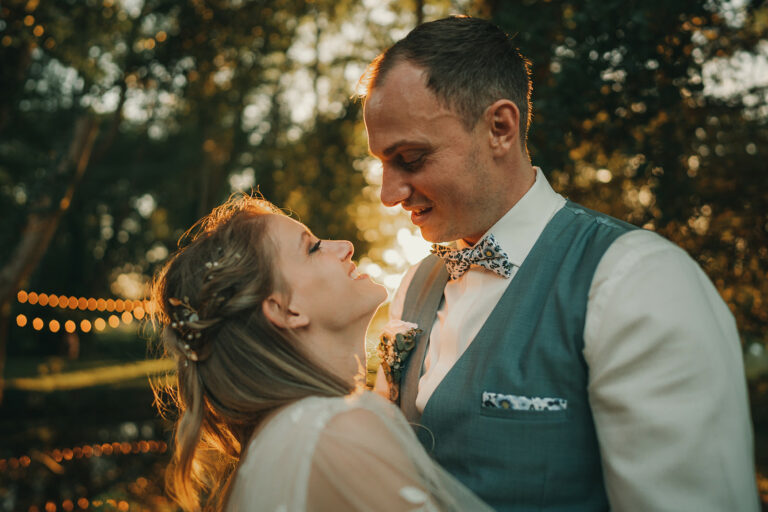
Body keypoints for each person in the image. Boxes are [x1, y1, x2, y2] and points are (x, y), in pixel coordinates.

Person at [362, 15, 759, 511]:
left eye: (412, 158)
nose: (388, 194)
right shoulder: (414, 284)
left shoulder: (635, 280)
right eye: (382, 162)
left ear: (500, 128)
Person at [150, 195, 493, 512]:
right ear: (286, 310)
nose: (345, 246)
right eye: (313, 248)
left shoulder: (275, 440)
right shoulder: (336, 432)